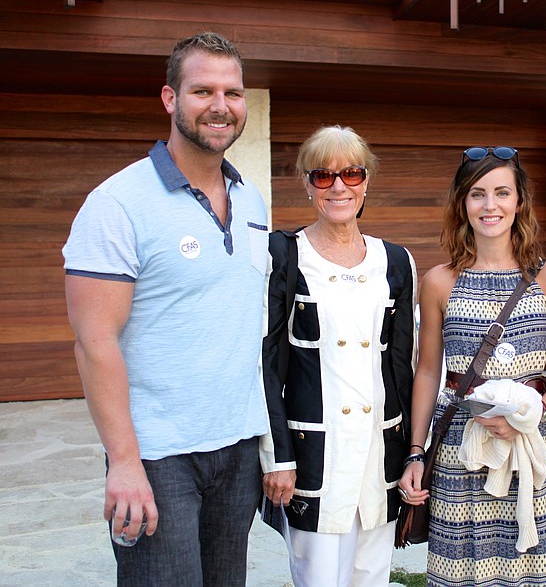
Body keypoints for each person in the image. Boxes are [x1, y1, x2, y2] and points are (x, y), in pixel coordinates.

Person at [63, 32, 269, 585]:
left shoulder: (251, 200)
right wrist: (124, 462)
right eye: (202, 90)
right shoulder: (116, 204)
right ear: (170, 98)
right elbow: (94, 341)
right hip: (157, 457)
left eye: (233, 92)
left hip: (238, 447)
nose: (220, 105)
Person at [399, 146, 546, 586]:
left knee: (534, 566)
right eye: (478, 194)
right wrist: (415, 451)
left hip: (531, 444)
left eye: (502, 193)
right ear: (463, 202)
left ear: (519, 201)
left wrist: (530, 414)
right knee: (465, 568)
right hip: (461, 445)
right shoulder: (440, 280)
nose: (490, 205)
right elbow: (427, 371)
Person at [259, 125, 417, 587]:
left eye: (351, 173)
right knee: (320, 577)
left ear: (366, 181)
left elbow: (403, 367)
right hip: (313, 454)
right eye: (323, 176)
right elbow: (265, 364)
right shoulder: (284, 256)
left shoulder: (395, 261)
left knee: (372, 575)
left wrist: (413, 452)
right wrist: (277, 457)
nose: (339, 186)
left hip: (378, 453)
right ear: (307, 185)